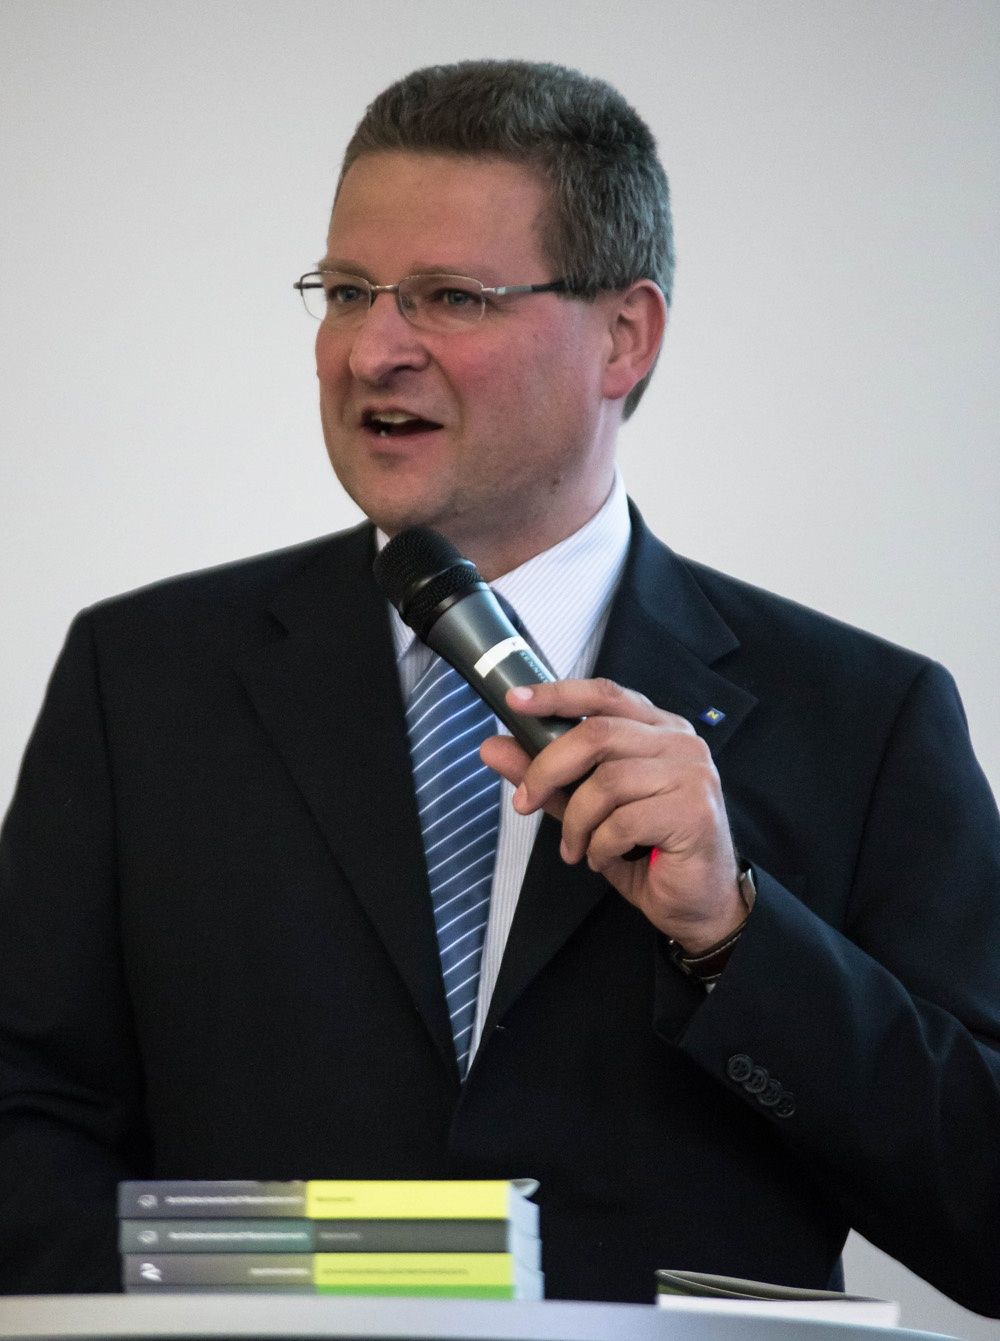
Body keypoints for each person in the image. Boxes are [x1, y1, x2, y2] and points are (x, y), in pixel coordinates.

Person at [0, 59, 997, 1313]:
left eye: (452, 298)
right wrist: (205, 1312)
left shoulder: (861, 718)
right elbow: (27, 1117)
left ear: (624, 336)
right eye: (347, 292)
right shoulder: (142, 677)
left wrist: (735, 938)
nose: (373, 350)